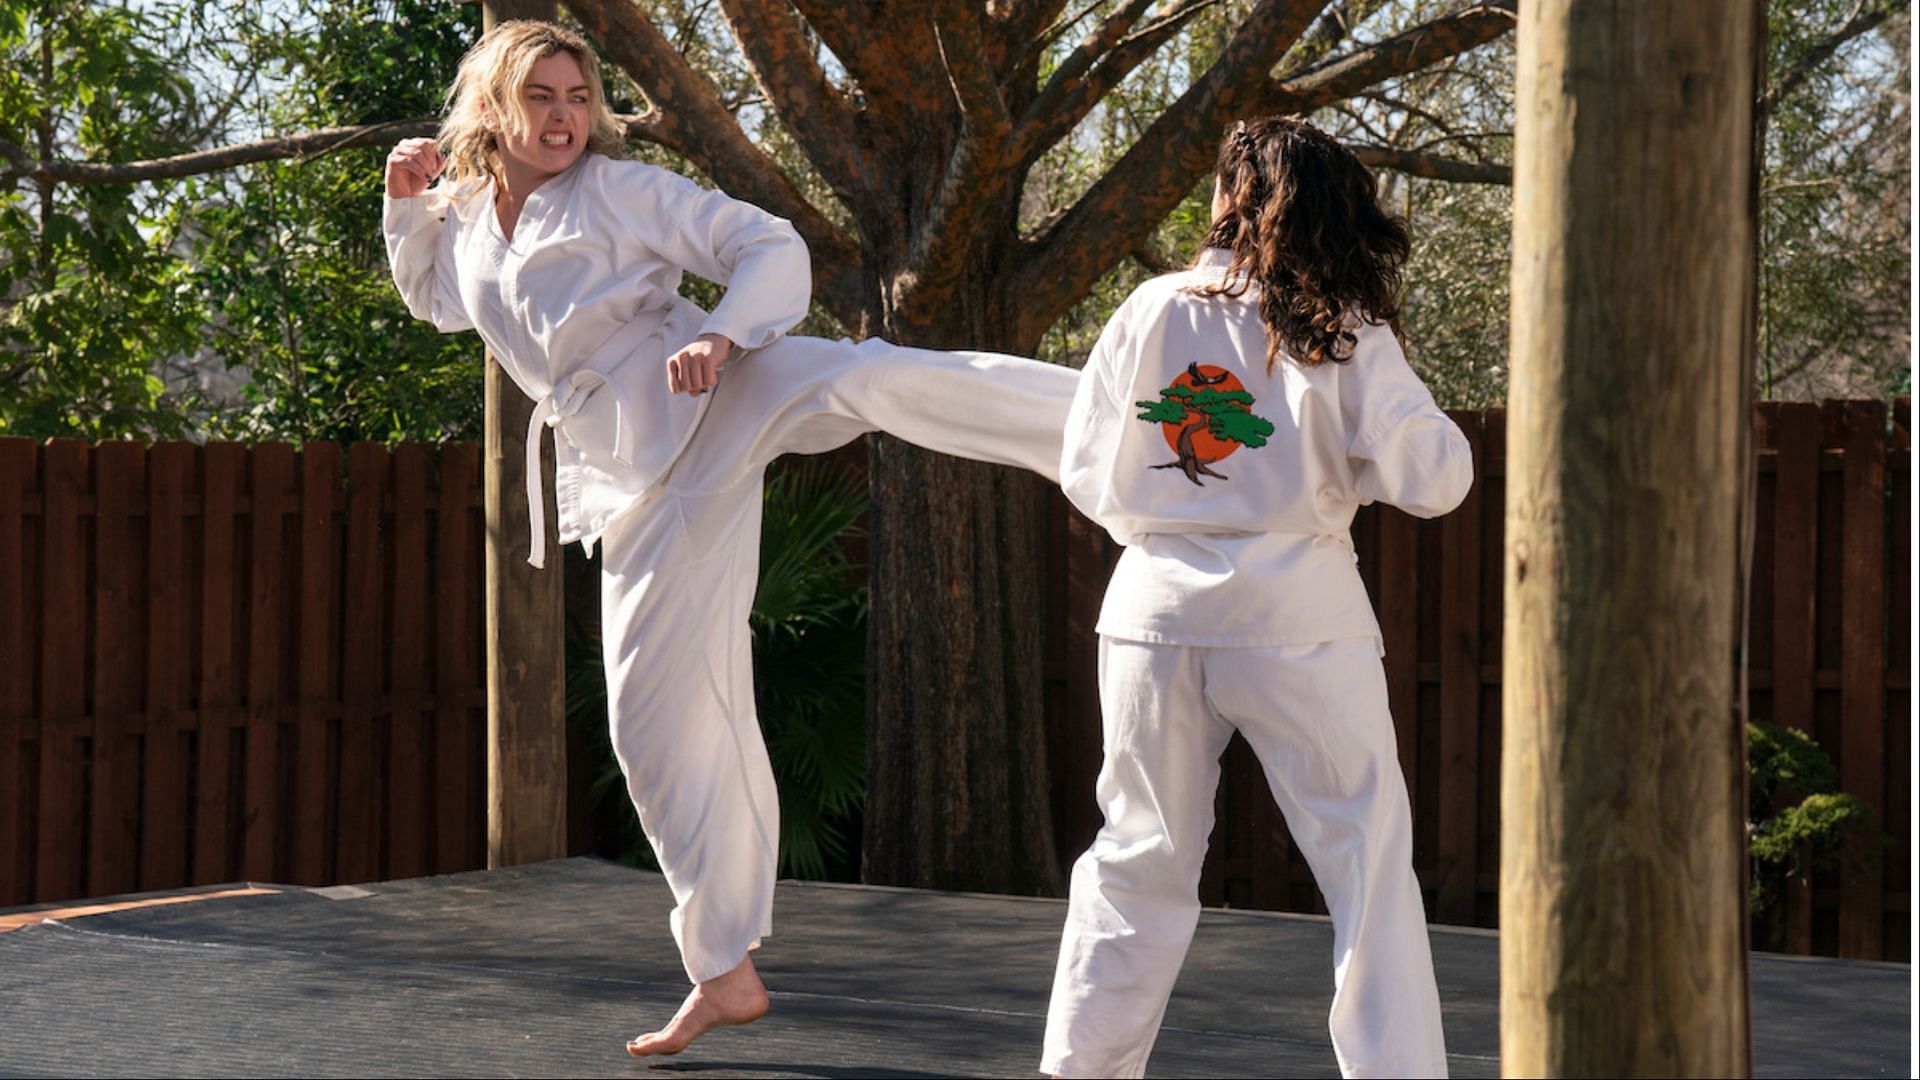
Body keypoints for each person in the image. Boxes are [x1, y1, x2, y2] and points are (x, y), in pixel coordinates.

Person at [381, 19, 1075, 1058]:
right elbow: (437, 300)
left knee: (866, 374)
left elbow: (766, 246)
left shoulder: (621, 191)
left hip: (719, 384)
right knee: (649, 726)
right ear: (493, 108)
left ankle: (1121, 422)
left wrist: (724, 330)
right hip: (638, 476)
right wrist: (403, 205)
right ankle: (723, 969)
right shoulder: (472, 215)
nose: (567, 116)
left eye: (579, 95)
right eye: (543, 98)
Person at [1042, 115, 1473, 1080]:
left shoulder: (1150, 309)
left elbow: (1083, 468)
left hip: (1152, 611)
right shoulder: (1343, 330)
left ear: (1232, 199)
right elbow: (1438, 480)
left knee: (1136, 856)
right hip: (1299, 620)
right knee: (1365, 863)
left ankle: (1077, 1071)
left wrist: (1167, 530)